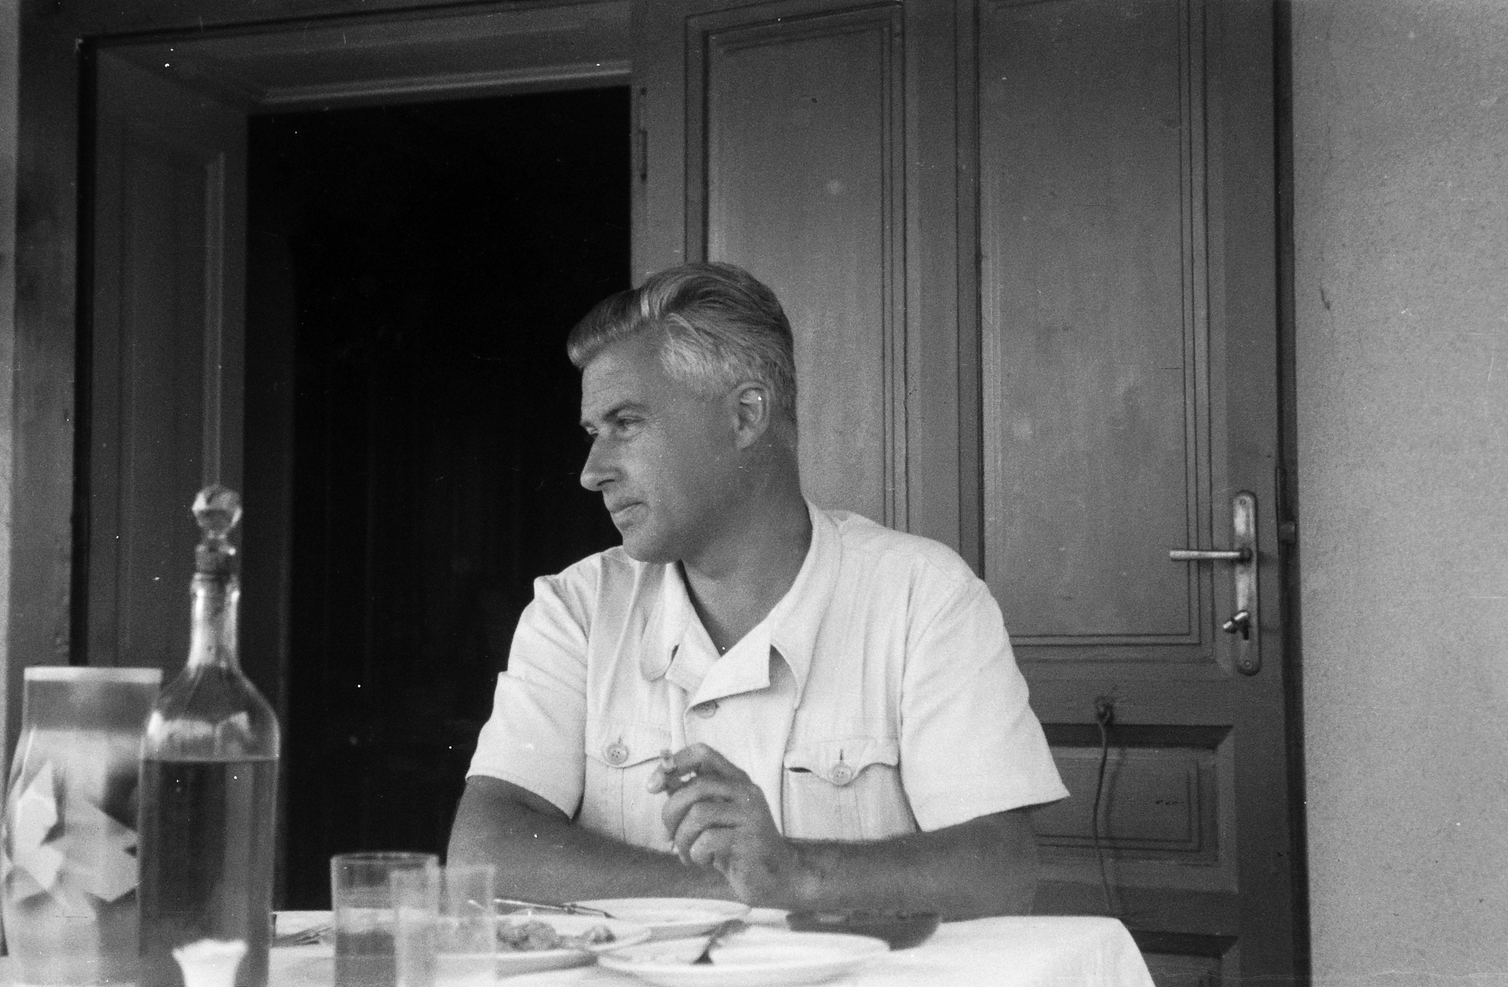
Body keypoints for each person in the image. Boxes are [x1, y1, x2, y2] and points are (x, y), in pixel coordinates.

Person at [448, 262, 1068, 918]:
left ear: (745, 417)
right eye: (592, 433)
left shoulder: (923, 598)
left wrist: (793, 872)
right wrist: (747, 890)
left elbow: (999, 867)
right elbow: (485, 853)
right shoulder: (574, 610)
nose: (592, 472)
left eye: (625, 423)